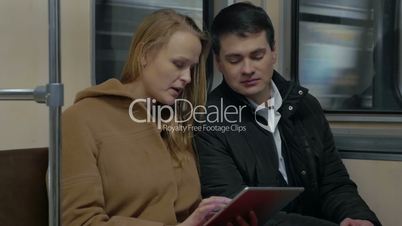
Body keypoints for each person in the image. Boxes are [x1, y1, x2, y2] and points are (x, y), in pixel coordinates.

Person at [61, 9, 257, 226]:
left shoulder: (179, 122)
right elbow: (79, 221)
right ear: (144, 55)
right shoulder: (80, 119)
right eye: (178, 64)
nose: (187, 78)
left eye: (192, 68)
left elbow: (188, 211)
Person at [194, 2, 381, 226]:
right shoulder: (210, 121)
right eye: (234, 60)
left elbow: (334, 184)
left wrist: (357, 218)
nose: (247, 69)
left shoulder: (305, 105)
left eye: (257, 55)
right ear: (219, 63)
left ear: (273, 51)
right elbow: (238, 211)